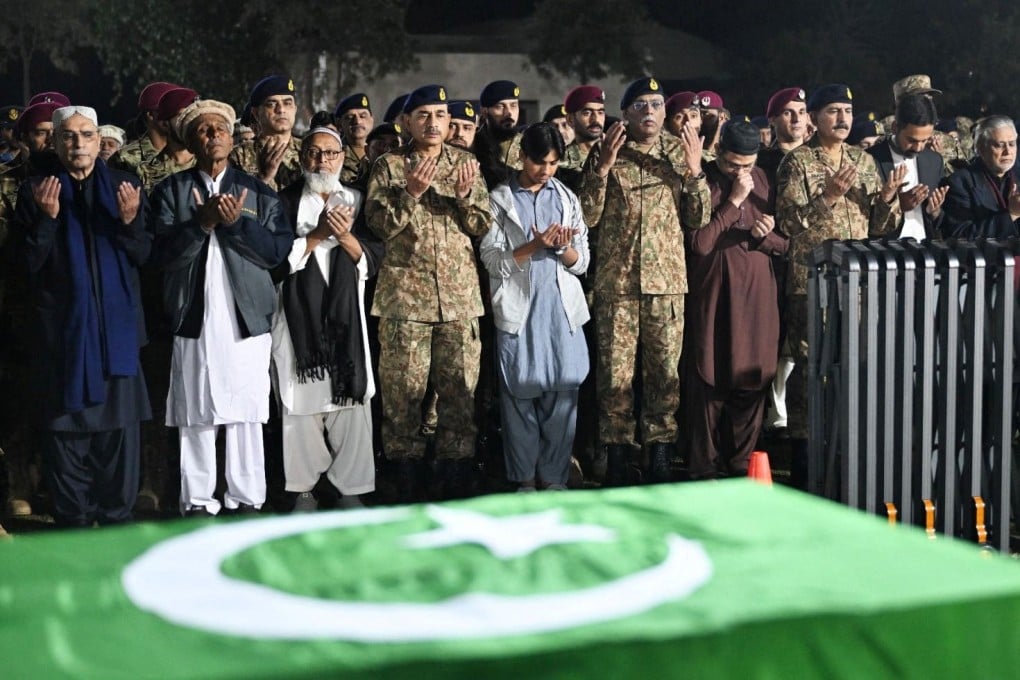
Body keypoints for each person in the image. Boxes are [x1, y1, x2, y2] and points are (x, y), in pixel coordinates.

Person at [149, 99, 293, 516]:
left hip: (244, 320)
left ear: (231, 138)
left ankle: (246, 498)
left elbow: (275, 254)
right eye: (204, 130)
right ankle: (197, 501)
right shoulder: (171, 191)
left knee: (246, 410)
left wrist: (235, 224)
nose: (214, 135)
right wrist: (202, 224)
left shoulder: (258, 193)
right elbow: (161, 256)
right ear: (192, 141)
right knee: (196, 408)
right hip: (192, 316)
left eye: (220, 129)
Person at [11, 105, 152, 527]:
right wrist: (47, 221)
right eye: (68, 136)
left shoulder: (126, 186)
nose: (78, 143)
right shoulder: (36, 190)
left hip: (116, 343)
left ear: (99, 141)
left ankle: (116, 547)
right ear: (55, 143)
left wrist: (129, 224)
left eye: (86, 135)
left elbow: (144, 255)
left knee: (118, 453)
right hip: (63, 344)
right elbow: (24, 266)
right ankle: (76, 540)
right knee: (66, 460)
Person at [578, 76, 710, 485]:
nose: (649, 112)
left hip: (666, 285)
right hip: (616, 285)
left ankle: (660, 460)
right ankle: (617, 461)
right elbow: (586, 217)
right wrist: (600, 170)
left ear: (665, 112)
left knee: (663, 379)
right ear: (626, 114)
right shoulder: (607, 152)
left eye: (656, 104)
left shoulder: (677, 152)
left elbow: (698, 218)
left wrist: (694, 170)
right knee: (615, 378)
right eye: (640, 105)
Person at [365, 84, 490, 501]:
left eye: (440, 115)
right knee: (403, 396)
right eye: (423, 115)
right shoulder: (389, 166)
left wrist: (465, 196)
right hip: (405, 301)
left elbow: (482, 225)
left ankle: (454, 477)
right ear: (406, 122)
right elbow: (379, 225)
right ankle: (404, 477)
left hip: (458, 301)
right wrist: (411, 194)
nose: (433, 123)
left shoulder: (466, 163)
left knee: (458, 394)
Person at [775, 84, 903, 486]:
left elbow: (882, 228)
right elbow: (788, 224)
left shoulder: (864, 161)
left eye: (848, 110)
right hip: (811, 282)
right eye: (833, 110)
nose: (843, 118)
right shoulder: (797, 163)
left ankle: (847, 454)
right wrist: (827, 197)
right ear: (813, 117)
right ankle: (804, 453)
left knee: (855, 367)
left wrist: (886, 200)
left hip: (857, 283)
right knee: (811, 367)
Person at [272, 127, 382, 511]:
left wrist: (347, 238)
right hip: (299, 322)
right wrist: (318, 234)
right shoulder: (282, 203)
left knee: (352, 405)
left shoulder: (356, 198)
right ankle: (303, 489)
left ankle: (350, 488)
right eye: (315, 154)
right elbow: (274, 260)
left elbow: (374, 257)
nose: (323, 161)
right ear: (303, 158)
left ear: (341, 157)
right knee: (300, 406)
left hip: (346, 319)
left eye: (331, 154)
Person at [480, 122, 590, 491]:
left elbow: (583, 262)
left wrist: (561, 248)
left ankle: (555, 480)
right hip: (520, 314)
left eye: (554, 163)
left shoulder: (566, 198)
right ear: (522, 156)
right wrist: (534, 245)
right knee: (520, 401)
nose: (546, 171)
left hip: (561, 314)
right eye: (539, 162)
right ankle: (525, 481)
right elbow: (493, 261)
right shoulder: (499, 199)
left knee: (562, 401)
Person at [686, 121, 787, 479]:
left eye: (747, 165)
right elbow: (700, 243)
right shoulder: (705, 180)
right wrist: (733, 201)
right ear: (718, 154)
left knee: (752, 378)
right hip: (715, 292)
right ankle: (704, 467)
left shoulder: (766, 180)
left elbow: (786, 244)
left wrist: (768, 237)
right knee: (710, 377)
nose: (742, 172)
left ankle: (742, 464)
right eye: (733, 165)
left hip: (757, 295)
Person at [867, 93, 948, 240]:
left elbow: (943, 222)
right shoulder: (869, 160)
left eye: (924, 141)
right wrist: (897, 205)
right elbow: (862, 220)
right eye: (912, 140)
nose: (918, 148)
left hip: (926, 252)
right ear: (895, 128)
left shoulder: (934, 161)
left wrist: (934, 212)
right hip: (886, 253)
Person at [942, 115, 1020, 238]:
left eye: (1012, 144)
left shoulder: (1017, 179)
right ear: (981, 149)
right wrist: (1011, 214)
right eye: (1000, 145)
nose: (1008, 151)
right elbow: (961, 235)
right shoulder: (960, 182)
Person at [230, 75, 302, 190]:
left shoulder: (309, 151)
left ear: (295, 109)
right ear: (256, 112)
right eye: (271, 104)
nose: (281, 110)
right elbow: (235, 199)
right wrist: (262, 179)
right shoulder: (239, 155)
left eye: (287, 103)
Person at [475, 79, 523, 188]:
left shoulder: (528, 144)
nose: (509, 113)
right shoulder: (475, 144)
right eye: (500, 107)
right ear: (484, 111)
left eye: (513, 105)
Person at [334, 93, 374, 191]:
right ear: (340, 124)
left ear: (372, 120)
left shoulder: (383, 150)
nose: (357, 121)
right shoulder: (333, 155)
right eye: (350, 117)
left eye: (363, 116)